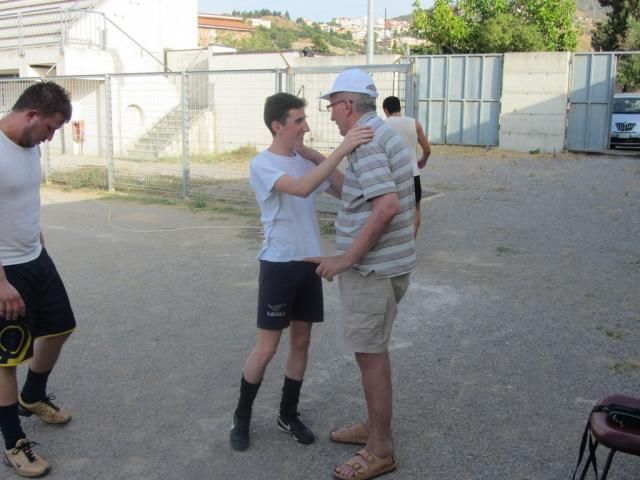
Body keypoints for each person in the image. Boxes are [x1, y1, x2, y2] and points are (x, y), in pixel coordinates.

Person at [229, 92, 373, 452]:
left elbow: (345, 191)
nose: (306, 127)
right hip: (279, 264)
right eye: (298, 121)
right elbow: (301, 188)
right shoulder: (262, 163)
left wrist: (317, 156)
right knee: (266, 348)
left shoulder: (304, 160)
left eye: (305, 120)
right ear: (277, 126)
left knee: (301, 342)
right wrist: (342, 149)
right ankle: (241, 416)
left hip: (309, 262)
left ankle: (287, 414)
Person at [306, 69, 417, 480]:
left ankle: (381, 449)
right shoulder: (373, 135)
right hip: (385, 265)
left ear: (348, 104)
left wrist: (345, 259)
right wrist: (315, 158)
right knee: (369, 352)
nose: (331, 114)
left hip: (373, 269)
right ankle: (373, 428)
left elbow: (385, 207)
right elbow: (353, 192)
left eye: (332, 106)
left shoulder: (366, 143)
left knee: (371, 356)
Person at [0, 82, 75, 478]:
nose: (50, 137)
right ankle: (13, 441)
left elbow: (20, 198)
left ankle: (32, 395)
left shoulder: (30, 146)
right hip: (6, 270)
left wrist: (36, 234)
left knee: (61, 327)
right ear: (31, 115)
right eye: (50, 128)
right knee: (7, 360)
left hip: (35, 257)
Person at [382, 95, 431, 238]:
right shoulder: (414, 124)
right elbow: (427, 149)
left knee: (389, 208)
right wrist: (423, 160)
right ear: (399, 107)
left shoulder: (382, 125)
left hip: (390, 175)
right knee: (415, 210)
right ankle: (411, 241)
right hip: (412, 173)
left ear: (386, 110)